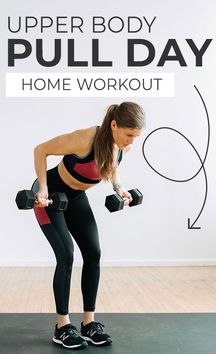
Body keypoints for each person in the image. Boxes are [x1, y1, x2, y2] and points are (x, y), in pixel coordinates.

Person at [31, 101, 145, 350]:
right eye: (129, 135)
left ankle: (89, 324)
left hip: (76, 197)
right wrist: (42, 188)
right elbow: (40, 150)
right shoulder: (84, 138)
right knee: (66, 255)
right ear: (114, 125)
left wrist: (119, 188)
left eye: (136, 137)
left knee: (93, 253)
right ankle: (62, 326)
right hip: (51, 196)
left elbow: (110, 167)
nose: (131, 142)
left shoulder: (120, 145)